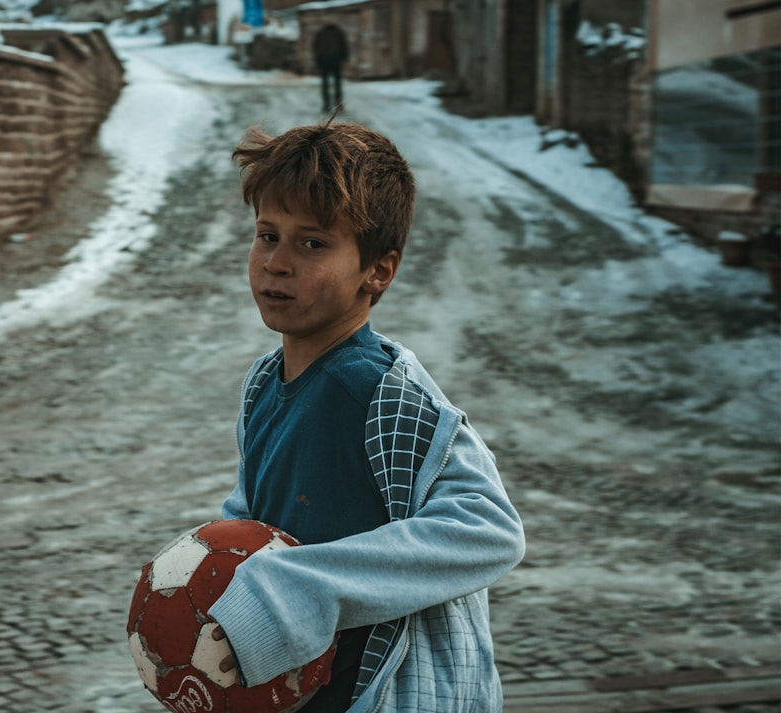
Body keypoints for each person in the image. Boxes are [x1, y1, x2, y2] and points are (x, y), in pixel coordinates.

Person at [205, 119, 527, 712]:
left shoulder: (379, 392)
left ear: (378, 270)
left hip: (386, 693)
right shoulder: (262, 385)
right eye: (267, 235)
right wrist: (210, 573)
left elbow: (487, 529)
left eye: (312, 244)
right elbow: (254, 516)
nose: (277, 262)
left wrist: (298, 589)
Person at [313, 24, 348, 113]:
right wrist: (344, 58)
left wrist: (318, 60)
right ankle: (338, 105)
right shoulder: (338, 33)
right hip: (336, 59)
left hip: (324, 60)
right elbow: (344, 46)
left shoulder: (321, 34)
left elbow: (315, 47)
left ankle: (326, 106)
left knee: (325, 84)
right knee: (337, 84)